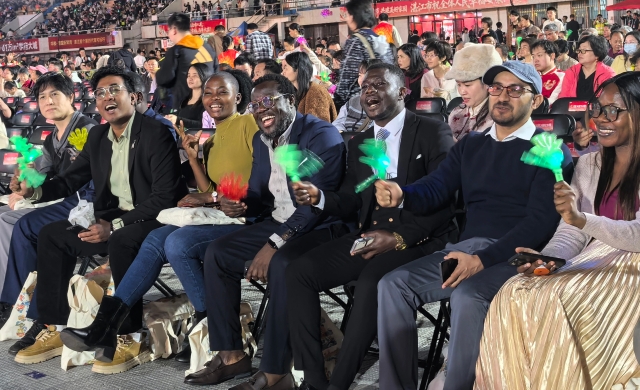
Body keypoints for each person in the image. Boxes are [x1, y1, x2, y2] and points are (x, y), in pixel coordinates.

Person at [375, 60, 574, 390]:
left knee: (468, 296)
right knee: (392, 285)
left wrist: (482, 259)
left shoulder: (549, 149)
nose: (502, 96)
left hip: (518, 256)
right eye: (496, 88)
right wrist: (402, 195)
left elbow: (540, 223)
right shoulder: (472, 144)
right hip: (467, 250)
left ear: (537, 100)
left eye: (515, 89)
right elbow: (437, 187)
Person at [60, 70, 258, 367]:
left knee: (175, 243)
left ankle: (204, 324)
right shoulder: (212, 139)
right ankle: (106, 327)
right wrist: (194, 159)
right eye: (208, 93)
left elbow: (258, 179)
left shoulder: (249, 124)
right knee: (155, 239)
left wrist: (211, 198)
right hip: (219, 216)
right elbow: (210, 190)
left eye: (222, 92)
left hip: (246, 216)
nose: (213, 99)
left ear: (238, 97)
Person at [287, 62, 456, 390]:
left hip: (420, 237)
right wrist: (320, 197)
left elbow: (445, 198)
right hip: (369, 236)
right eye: (364, 87)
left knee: (370, 282)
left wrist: (398, 238)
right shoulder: (359, 141)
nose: (369, 92)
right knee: (299, 271)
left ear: (402, 92)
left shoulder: (432, 131)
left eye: (379, 85)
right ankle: (314, 379)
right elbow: (351, 198)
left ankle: (339, 383)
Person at [9, 65, 187, 369]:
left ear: (134, 96)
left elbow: (164, 198)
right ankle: (54, 324)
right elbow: (68, 181)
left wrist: (114, 226)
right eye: (101, 92)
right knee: (52, 235)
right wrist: (33, 191)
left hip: (156, 217)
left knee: (121, 239)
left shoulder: (155, 133)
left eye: (115, 89)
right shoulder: (99, 136)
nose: (107, 97)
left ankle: (129, 334)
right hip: (113, 218)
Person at [475, 72, 640, 390]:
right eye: (597, 108)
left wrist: (582, 220)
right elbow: (571, 232)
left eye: (613, 110)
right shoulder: (590, 164)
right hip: (594, 258)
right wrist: (548, 259)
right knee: (515, 290)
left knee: (557, 297)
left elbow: (634, 234)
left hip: (632, 267)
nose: (600, 119)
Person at [183, 74, 347, 388]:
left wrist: (273, 244)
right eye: (255, 104)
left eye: (268, 101)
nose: (260, 109)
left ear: (290, 100)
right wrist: (239, 205)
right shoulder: (262, 140)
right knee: (217, 253)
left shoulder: (320, 135)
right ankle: (231, 355)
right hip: (278, 222)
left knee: (283, 264)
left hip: (320, 227)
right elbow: (258, 195)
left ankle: (274, 372)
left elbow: (313, 205)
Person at [0, 73, 95, 320]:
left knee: (14, 223)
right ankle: (14, 297)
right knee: (5, 215)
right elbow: (43, 174)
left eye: (55, 94)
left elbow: (77, 181)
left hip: (85, 203)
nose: (48, 101)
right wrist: (24, 180)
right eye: (42, 97)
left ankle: (18, 302)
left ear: (71, 97)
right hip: (63, 198)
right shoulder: (53, 139)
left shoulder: (87, 130)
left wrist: (32, 193)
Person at [334, 0, 394, 111]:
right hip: (382, 98)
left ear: (355, 16)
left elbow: (348, 75)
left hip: (361, 101)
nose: (346, 19)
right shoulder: (380, 39)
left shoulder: (356, 40)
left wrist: (338, 100)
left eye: (348, 14)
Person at [156, 13, 219, 111]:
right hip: (208, 104)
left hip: (185, 105)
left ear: (174, 30)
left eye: (169, 30)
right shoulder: (208, 48)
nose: (168, 34)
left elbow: (164, 79)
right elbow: (217, 72)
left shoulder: (176, 51)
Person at [445, 43, 501, 141]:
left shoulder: (498, 117)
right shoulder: (456, 112)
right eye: (459, 85)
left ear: (487, 83)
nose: (462, 92)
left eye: (467, 85)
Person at [282, 52, 337, 122]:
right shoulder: (294, 92)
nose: (282, 72)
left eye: (285, 68)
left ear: (298, 69)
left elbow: (318, 125)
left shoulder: (316, 92)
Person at [559, 35, 616, 100]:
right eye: (579, 50)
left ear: (597, 54)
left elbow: (609, 100)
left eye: (584, 50)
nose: (580, 53)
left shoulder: (607, 74)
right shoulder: (572, 71)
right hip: (572, 106)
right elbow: (563, 98)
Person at [332, 59, 379, 133]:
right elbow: (338, 122)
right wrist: (341, 132)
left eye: (367, 75)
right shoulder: (353, 101)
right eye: (360, 75)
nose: (361, 80)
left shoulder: (383, 105)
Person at [165, 63, 212, 129]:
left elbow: (204, 125)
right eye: (188, 75)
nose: (190, 78)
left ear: (204, 76)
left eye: (194, 76)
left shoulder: (208, 102)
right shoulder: (184, 99)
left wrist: (178, 120)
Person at [531, 39, 564, 105]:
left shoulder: (561, 77)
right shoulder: (532, 77)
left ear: (552, 56)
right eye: (533, 56)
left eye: (539, 55)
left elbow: (551, 102)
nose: (535, 60)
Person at [397, 43, 427, 112]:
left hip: (421, 111)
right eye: (398, 57)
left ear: (412, 57)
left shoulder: (424, 75)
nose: (399, 60)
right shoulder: (402, 74)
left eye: (402, 57)